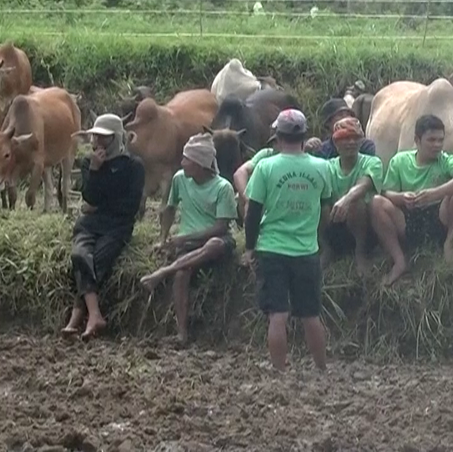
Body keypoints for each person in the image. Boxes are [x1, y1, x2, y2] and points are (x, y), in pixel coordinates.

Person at [242, 109, 332, 371]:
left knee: (278, 315)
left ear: (277, 137)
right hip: (306, 251)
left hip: (272, 249)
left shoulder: (266, 167)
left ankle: (279, 369)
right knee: (311, 314)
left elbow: (253, 212)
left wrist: (249, 247)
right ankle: (322, 367)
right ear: (304, 136)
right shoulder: (321, 167)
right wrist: (316, 238)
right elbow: (325, 209)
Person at [140, 132, 237, 344]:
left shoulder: (223, 188)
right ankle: (181, 332)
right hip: (188, 243)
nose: (182, 163)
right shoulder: (179, 179)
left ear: (200, 164)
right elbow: (169, 209)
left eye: (187, 160)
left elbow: (221, 227)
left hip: (214, 240)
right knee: (182, 274)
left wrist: (183, 239)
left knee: (214, 244)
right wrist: (163, 238)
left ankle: (163, 272)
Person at [369, 114, 453, 285]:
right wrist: (402, 198)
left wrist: (436, 193)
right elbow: (386, 193)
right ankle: (399, 260)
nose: (437, 145)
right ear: (417, 140)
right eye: (431, 140)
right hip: (407, 218)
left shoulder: (445, 160)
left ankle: (449, 245)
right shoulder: (400, 160)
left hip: (439, 217)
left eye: (440, 140)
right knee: (376, 202)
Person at [64, 114, 146, 340]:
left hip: (117, 226)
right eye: (95, 137)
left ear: (117, 138)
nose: (98, 143)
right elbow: (90, 196)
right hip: (91, 224)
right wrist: (95, 171)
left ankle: (78, 316)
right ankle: (94, 314)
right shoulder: (90, 164)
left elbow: (129, 206)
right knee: (80, 255)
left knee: (95, 261)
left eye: (104, 138)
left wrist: (98, 205)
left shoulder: (134, 166)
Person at [323, 117, 384, 271]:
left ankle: (360, 252)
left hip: (363, 226)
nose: (351, 142)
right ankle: (326, 248)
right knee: (319, 202)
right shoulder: (326, 167)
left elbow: (364, 184)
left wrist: (346, 200)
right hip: (334, 222)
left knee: (356, 201)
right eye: (345, 138)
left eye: (355, 138)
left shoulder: (372, 162)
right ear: (336, 143)